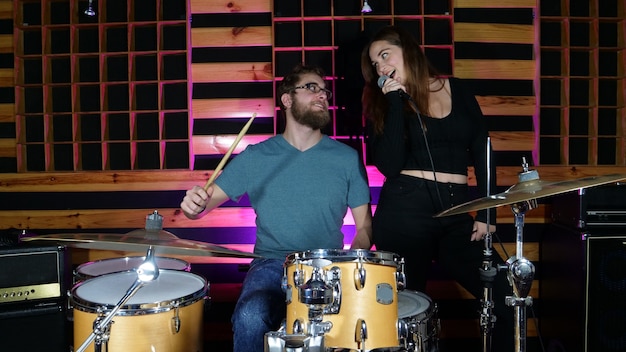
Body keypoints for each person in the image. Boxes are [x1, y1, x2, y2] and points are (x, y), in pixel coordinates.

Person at [180, 63, 373, 352]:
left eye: (325, 91)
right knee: (250, 315)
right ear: (286, 99)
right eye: (311, 88)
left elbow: (365, 227)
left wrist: (348, 264)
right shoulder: (257, 156)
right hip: (271, 262)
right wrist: (192, 206)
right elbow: (201, 207)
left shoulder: (346, 158)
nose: (323, 96)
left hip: (327, 266)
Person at [360, 26, 514, 351]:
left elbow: (484, 150)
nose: (381, 67)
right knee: (403, 316)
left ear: (409, 50)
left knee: (502, 293)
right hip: (404, 213)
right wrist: (393, 101)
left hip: (456, 212)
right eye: (375, 64)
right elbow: (388, 165)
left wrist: (488, 213)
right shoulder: (383, 103)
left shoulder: (457, 90)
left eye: (385, 55)